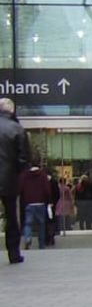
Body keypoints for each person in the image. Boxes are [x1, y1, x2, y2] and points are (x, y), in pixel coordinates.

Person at [0, 98, 30, 264]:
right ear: (11, 111)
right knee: (11, 216)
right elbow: (24, 158)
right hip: (9, 179)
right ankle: (13, 253)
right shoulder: (17, 129)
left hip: (9, 176)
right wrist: (16, 173)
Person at [18, 164, 51, 250]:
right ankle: (41, 244)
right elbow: (47, 190)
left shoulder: (25, 175)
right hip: (40, 203)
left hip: (29, 203)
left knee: (28, 223)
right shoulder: (43, 175)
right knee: (41, 225)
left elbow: (20, 188)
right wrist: (48, 200)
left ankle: (28, 237)